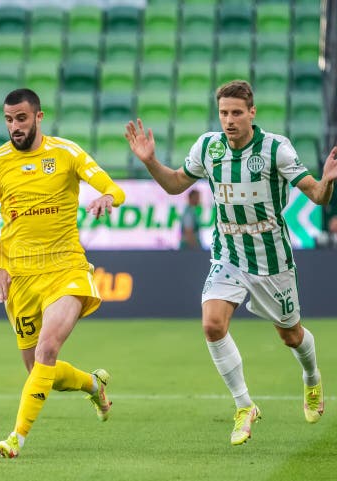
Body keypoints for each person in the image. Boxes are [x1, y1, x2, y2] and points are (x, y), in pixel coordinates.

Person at [125, 80, 336, 445]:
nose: (229, 120)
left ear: (252, 113)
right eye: (224, 112)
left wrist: (328, 182)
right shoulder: (208, 147)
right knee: (212, 324)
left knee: (290, 335)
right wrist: (150, 162)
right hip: (228, 252)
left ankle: (312, 378)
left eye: (237, 112)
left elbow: (316, 195)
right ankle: (244, 406)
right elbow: (176, 184)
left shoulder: (275, 149)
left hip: (271, 257)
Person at [0, 89, 125, 458]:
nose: (15, 126)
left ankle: (16, 437)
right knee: (37, 370)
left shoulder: (66, 153)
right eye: (9, 119)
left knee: (47, 350)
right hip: (21, 278)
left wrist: (107, 197)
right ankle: (93, 384)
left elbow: (112, 187)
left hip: (66, 268)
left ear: (39, 117)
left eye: (21, 119)